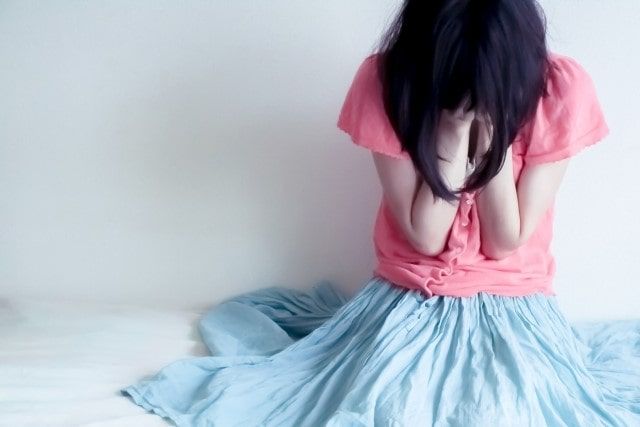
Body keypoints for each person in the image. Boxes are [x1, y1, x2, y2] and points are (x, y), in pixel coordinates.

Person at [121, 1, 640, 425]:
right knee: (390, 405)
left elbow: (507, 240)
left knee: (505, 408)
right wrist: (453, 131)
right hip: (407, 298)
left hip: (516, 306)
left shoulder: (559, 87)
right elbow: (425, 237)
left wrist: (494, 137)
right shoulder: (389, 79)